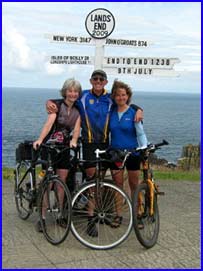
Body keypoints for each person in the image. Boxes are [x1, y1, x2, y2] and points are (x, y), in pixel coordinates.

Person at [46, 70, 144, 236]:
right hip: (90, 145)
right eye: (95, 79)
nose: (98, 81)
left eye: (101, 79)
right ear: (91, 81)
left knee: (114, 180)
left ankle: (114, 213)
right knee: (93, 181)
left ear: (105, 82)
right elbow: (66, 99)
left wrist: (138, 108)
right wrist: (50, 101)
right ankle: (91, 219)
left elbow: (125, 102)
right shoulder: (83, 96)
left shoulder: (111, 98)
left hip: (107, 145)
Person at [33, 78, 81, 232]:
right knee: (48, 184)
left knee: (62, 183)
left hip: (64, 148)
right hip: (50, 147)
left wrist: (73, 140)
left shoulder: (78, 109)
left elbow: (77, 128)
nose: (72, 94)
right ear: (65, 92)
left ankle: (60, 214)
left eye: (75, 91)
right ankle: (42, 217)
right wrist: (40, 139)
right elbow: (48, 124)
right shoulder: (57, 106)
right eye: (70, 91)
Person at [109, 79, 148, 228]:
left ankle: (137, 215)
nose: (121, 98)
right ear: (114, 96)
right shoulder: (111, 112)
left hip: (132, 153)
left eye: (124, 95)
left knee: (134, 185)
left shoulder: (133, 112)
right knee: (117, 185)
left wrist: (144, 148)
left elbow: (140, 134)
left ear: (128, 96)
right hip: (116, 153)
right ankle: (118, 215)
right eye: (118, 95)